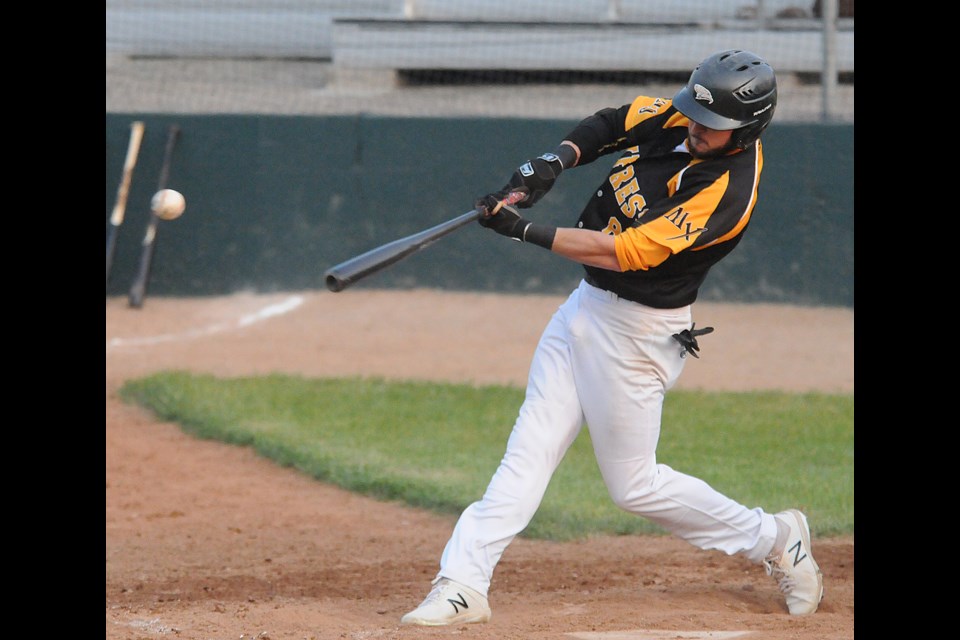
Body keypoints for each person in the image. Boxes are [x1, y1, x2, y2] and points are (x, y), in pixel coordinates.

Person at [400, 49, 823, 626]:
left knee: (634, 487)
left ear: (747, 130)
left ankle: (774, 536)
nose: (697, 129)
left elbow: (623, 253)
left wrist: (523, 230)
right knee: (528, 453)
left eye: (714, 126)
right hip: (583, 310)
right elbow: (612, 124)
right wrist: (549, 163)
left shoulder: (724, 189)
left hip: (638, 336)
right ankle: (463, 583)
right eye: (695, 115)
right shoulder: (685, 118)